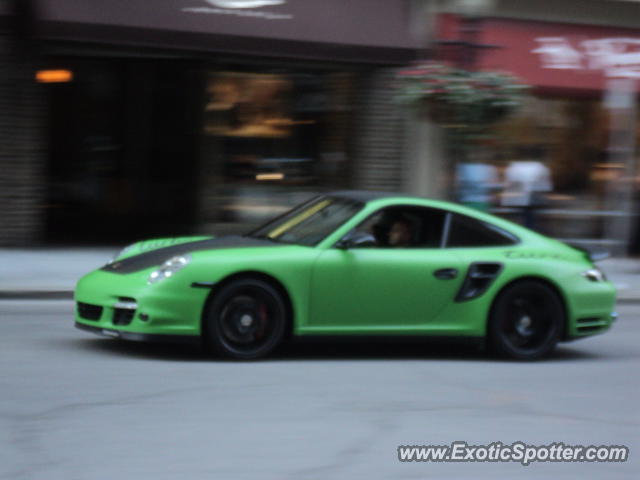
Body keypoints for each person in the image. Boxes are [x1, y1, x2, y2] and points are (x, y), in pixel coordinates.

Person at [501, 146, 553, 230]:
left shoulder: (513, 167)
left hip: (517, 199)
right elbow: (547, 187)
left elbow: (509, 184)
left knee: (518, 222)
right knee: (530, 221)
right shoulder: (541, 167)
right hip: (532, 200)